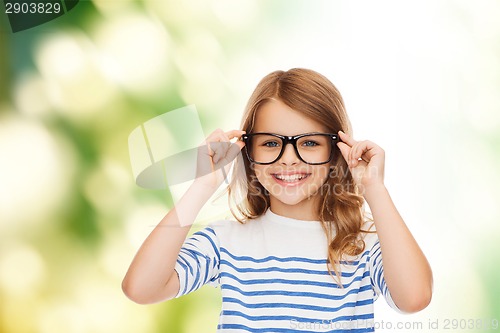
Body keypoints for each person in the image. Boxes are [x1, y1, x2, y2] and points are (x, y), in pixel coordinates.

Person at [122, 68, 433, 332]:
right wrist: (203, 184)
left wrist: (374, 189)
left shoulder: (363, 246)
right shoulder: (225, 242)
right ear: (248, 151)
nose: (288, 160)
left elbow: (414, 298)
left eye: (309, 143)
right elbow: (141, 288)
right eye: (271, 143)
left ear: (336, 150)